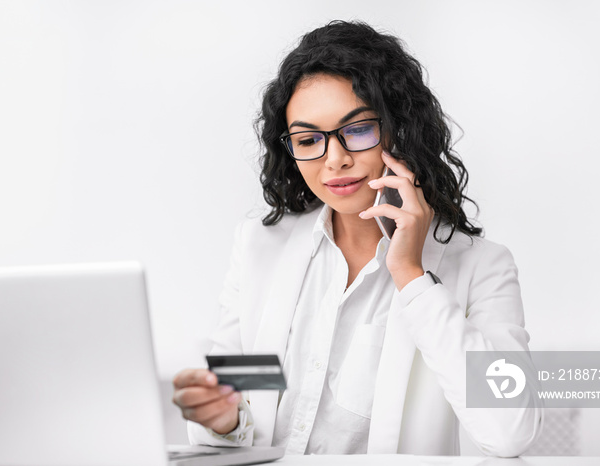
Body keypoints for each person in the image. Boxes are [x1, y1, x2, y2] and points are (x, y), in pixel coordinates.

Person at [172, 20, 543, 457]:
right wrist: (224, 420)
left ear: (399, 128)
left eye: (359, 129)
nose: (335, 159)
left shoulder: (480, 266)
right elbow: (237, 413)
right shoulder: (259, 250)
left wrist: (411, 276)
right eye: (309, 139)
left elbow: (510, 431)